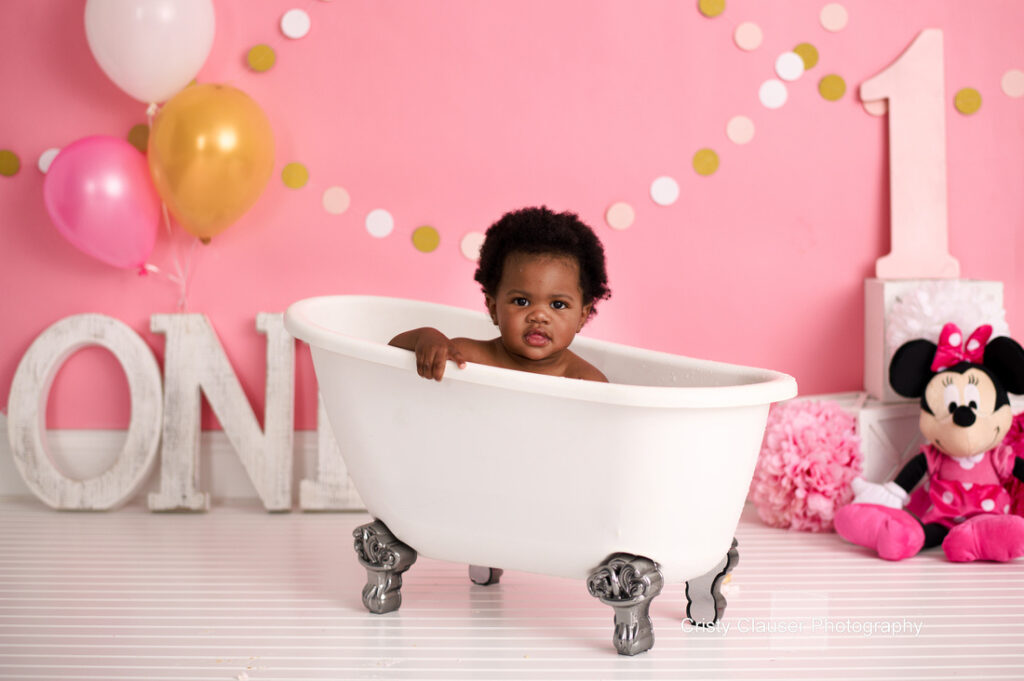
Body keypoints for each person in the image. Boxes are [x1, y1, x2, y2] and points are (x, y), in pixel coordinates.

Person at [389, 205, 611, 382]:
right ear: (493, 308)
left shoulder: (585, 381)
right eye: (521, 301)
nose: (539, 316)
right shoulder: (466, 357)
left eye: (558, 305)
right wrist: (425, 337)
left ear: (582, 316)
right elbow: (386, 358)